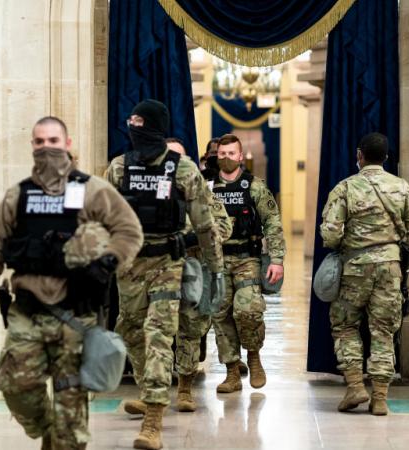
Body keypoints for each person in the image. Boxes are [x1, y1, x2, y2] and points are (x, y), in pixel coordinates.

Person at [0, 116, 143, 449]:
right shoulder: (19, 195)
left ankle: (63, 436)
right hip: (28, 311)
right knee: (15, 388)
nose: (46, 148)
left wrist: (108, 263)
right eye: (39, 142)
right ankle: (49, 430)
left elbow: (129, 231)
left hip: (77, 315)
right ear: (32, 145)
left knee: (71, 415)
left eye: (53, 141)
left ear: (68, 144)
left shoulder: (92, 189)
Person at [105, 100, 224, 450]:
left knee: (158, 333)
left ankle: (153, 418)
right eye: (132, 122)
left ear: (154, 127)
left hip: (167, 264)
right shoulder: (118, 167)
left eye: (140, 123)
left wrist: (216, 268)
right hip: (129, 264)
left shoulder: (184, 170)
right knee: (127, 328)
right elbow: (104, 218)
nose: (133, 128)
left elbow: (205, 223)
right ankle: (149, 390)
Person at [320, 132, 409, 415]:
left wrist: (344, 246)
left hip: (353, 268)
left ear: (359, 156)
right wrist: (407, 264)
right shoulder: (402, 188)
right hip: (390, 268)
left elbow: (330, 233)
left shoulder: (345, 188)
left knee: (345, 325)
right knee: (383, 331)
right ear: (387, 157)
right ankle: (379, 398)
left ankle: (355, 386)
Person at [209, 133, 286, 393]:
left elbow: (273, 222)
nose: (227, 158)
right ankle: (231, 371)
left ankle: (254, 356)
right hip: (217, 261)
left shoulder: (254, 186)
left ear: (240, 156)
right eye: (222, 154)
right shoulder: (207, 187)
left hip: (247, 259)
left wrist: (277, 259)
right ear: (216, 156)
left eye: (232, 154)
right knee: (221, 315)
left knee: (248, 310)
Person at [165, 137, 232, 412]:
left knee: (190, 330)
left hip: (194, 268)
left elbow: (225, 228)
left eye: (179, 157)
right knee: (154, 331)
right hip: (157, 269)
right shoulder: (149, 190)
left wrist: (193, 237)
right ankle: (151, 392)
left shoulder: (201, 191)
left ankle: (184, 389)